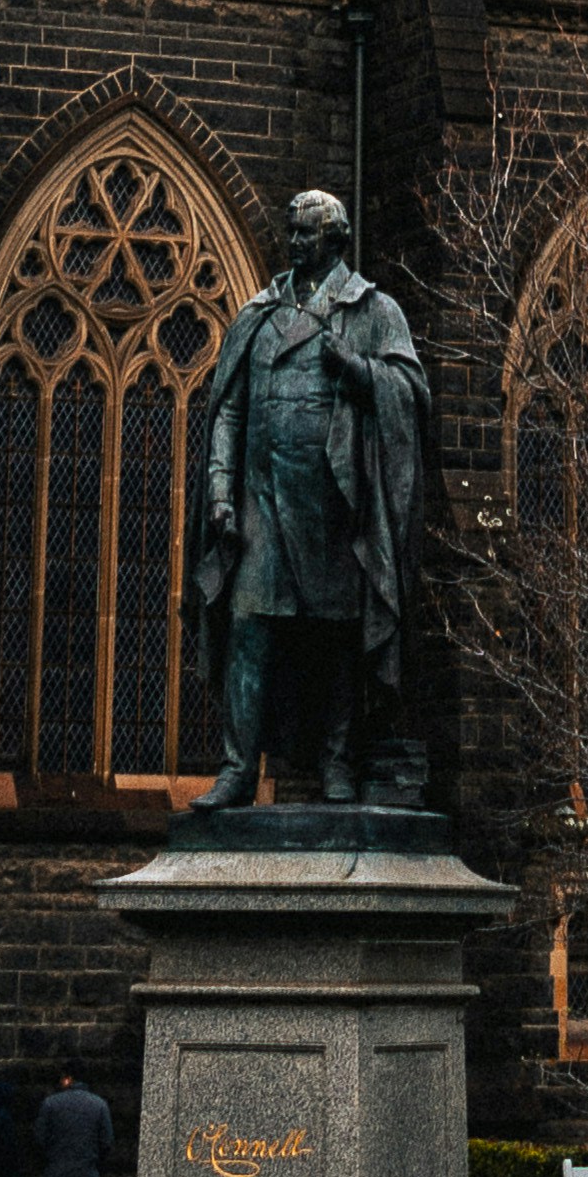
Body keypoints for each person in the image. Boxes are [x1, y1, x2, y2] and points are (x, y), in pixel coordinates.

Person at [189, 183, 432, 806]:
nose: (293, 242)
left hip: (334, 504)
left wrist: (356, 369)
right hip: (263, 500)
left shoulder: (373, 311)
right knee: (250, 628)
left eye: (305, 232)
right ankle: (239, 768)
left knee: (338, 637)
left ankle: (338, 762)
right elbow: (229, 411)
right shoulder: (259, 314)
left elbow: (411, 393)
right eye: (291, 231)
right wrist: (220, 490)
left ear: (335, 240)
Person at [31, 1062, 113, 1177]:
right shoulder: (99, 1105)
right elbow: (106, 1142)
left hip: (56, 1175)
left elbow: (39, 1138)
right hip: (87, 1175)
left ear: (68, 1079)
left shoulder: (50, 1103)